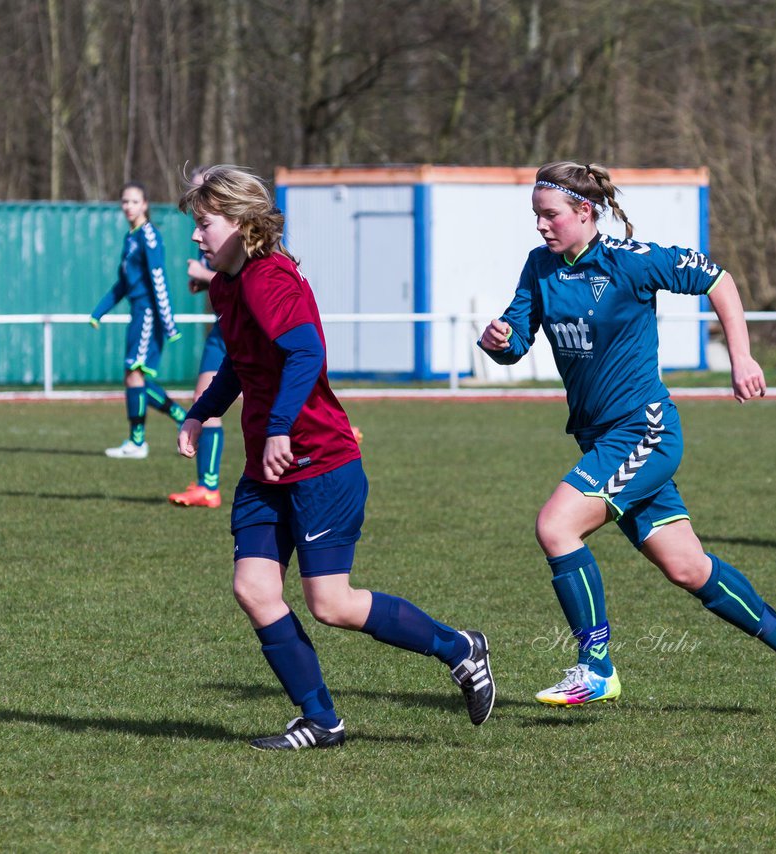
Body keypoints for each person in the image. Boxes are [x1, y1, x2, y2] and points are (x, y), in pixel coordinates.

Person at [478, 161, 776, 710]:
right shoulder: (539, 267)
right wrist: (497, 338)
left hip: (645, 431)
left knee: (556, 526)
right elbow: (517, 338)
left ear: (584, 212)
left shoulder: (633, 262)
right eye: (536, 216)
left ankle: (596, 667)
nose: (541, 226)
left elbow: (719, 279)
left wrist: (742, 357)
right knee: (687, 566)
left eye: (550, 215)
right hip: (601, 439)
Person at [178, 165, 495, 750]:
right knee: (254, 589)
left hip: (321, 463)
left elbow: (306, 354)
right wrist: (203, 409)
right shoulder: (227, 284)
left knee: (332, 603)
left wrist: (278, 429)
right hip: (267, 471)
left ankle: (461, 648)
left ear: (242, 222)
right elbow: (241, 362)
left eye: (204, 224)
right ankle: (321, 721)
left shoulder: (268, 278)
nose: (196, 237)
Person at [89, 182, 185, 458]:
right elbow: (123, 284)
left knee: (134, 375)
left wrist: (168, 323)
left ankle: (139, 441)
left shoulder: (149, 237)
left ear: (144, 205)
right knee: (133, 378)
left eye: (133, 201)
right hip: (137, 313)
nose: (128, 207)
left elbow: (158, 280)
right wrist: (99, 311)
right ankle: (179, 418)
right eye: (124, 202)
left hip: (148, 315)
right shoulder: (130, 238)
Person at [169, 167, 227, 508]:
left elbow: (242, 275)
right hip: (222, 328)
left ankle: (332, 433)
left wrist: (204, 274)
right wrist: (205, 279)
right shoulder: (204, 232)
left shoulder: (230, 229)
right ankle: (208, 486)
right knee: (205, 399)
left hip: (236, 329)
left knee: (275, 396)